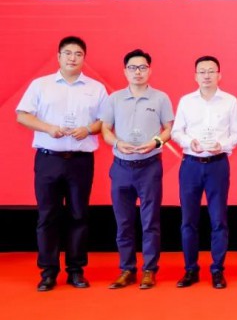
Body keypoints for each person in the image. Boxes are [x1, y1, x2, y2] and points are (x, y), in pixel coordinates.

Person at [16, 36, 108, 291]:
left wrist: (88, 129)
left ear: (84, 58)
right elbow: (22, 115)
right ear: (58, 56)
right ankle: (48, 271)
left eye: (78, 54)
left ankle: (76, 270)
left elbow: (105, 121)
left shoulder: (96, 88)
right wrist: (48, 128)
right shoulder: (41, 85)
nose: (72, 58)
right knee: (47, 215)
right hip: (49, 159)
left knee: (79, 215)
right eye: (67, 53)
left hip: (80, 161)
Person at [100, 49, 174, 290]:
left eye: (142, 67)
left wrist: (156, 142)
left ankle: (149, 270)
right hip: (121, 166)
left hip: (149, 166)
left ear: (150, 70)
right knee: (123, 221)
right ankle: (127, 269)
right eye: (133, 68)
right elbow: (105, 129)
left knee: (150, 221)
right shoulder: (114, 99)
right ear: (125, 71)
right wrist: (116, 143)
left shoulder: (160, 98)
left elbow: (169, 129)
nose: (138, 72)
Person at [171, 56, 237, 289]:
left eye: (211, 71)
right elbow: (176, 132)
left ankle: (217, 270)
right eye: (202, 71)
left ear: (219, 75)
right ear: (195, 76)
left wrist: (223, 145)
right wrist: (189, 142)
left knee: (218, 219)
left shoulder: (230, 101)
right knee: (188, 220)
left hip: (217, 164)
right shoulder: (186, 101)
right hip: (191, 164)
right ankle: (190, 269)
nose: (207, 75)